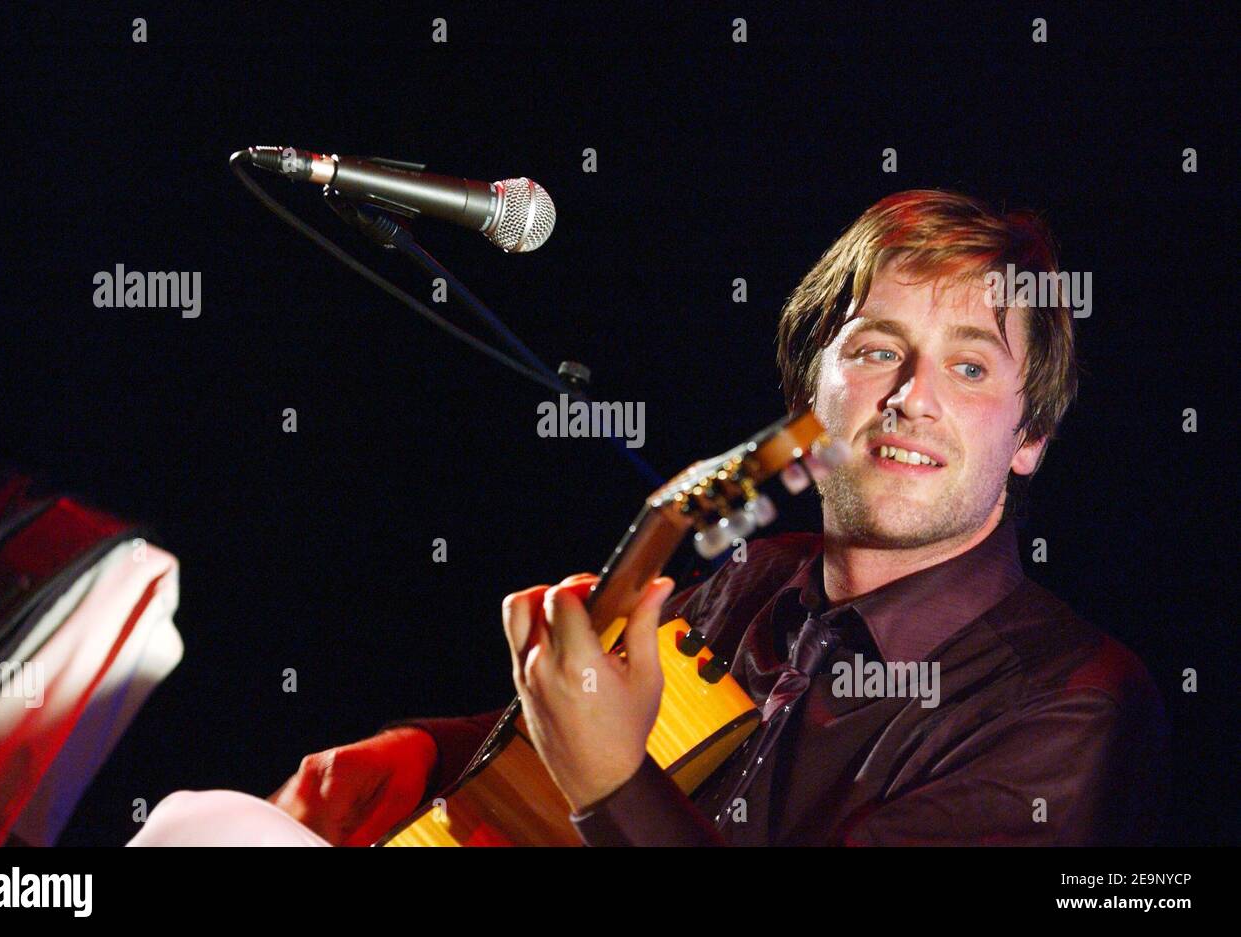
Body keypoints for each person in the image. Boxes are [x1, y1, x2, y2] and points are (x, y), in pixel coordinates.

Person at [129, 189, 1168, 847]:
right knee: (201, 823)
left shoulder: (1074, 705)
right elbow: (577, 752)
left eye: (970, 365)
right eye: (872, 347)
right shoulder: (753, 577)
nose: (909, 396)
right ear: (812, 393)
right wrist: (423, 750)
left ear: (1028, 437)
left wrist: (612, 783)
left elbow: (608, 765)